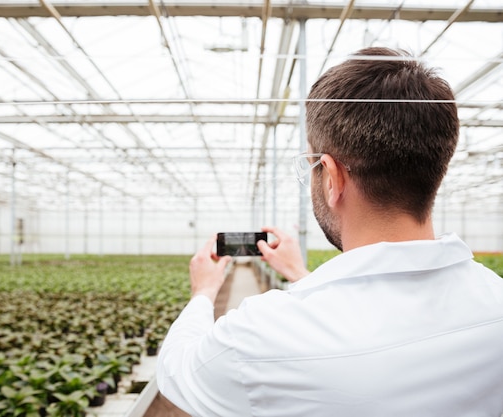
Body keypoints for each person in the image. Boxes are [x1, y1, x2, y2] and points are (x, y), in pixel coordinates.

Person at [156, 47, 503, 416]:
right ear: (438, 169)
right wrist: (301, 276)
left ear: (332, 178)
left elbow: (176, 374)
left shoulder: (263, 334)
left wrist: (203, 292)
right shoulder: (494, 301)